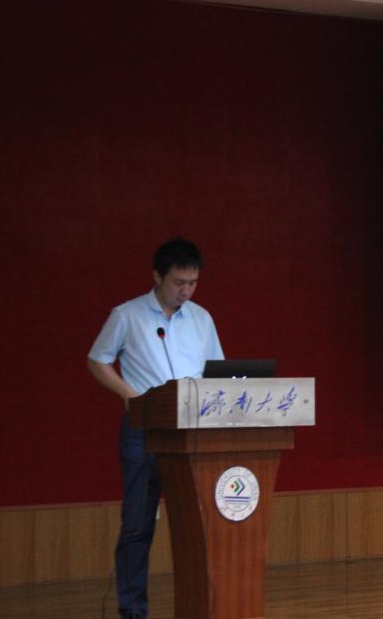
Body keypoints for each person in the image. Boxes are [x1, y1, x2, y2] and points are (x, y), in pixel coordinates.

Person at [87, 237, 224, 619]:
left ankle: (202, 605)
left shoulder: (202, 318)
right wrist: (129, 396)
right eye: (179, 282)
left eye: (193, 283)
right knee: (137, 525)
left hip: (192, 431)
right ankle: (133, 609)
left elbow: (218, 371)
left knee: (199, 525)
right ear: (157, 276)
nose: (186, 291)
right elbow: (97, 360)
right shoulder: (127, 315)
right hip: (144, 430)